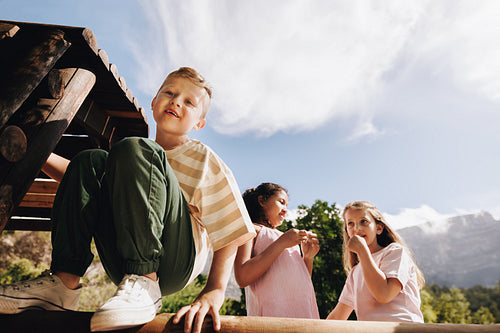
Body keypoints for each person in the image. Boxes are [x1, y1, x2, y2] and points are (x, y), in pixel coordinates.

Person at [0, 67, 256, 333]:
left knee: (135, 149)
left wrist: (214, 289)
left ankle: (146, 279)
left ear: (199, 123)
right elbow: (81, 178)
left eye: (189, 102)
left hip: (174, 261)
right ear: (154, 102)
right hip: (121, 260)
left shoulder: (200, 157)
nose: (176, 101)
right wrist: (36, 153)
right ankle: (63, 282)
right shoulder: (132, 158)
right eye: (169, 92)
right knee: (91, 160)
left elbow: (231, 227)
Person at [327, 201, 425, 322]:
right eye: (350, 224)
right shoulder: (355, 272)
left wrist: (362, 251)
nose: (356, 228)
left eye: (363, 221)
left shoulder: (395, 252)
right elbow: (337, 317)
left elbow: (384, 294)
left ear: (378, 228)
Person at [233, 182, 320, 319]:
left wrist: (308, 258)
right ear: (262, 200)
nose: (285, 209)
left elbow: (300, 283)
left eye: (286, 205)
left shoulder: (287, 238)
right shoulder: (251, 230)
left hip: (304, 318)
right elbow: (243, 277)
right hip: (271, 319)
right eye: (281, 202)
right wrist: (281, 243)